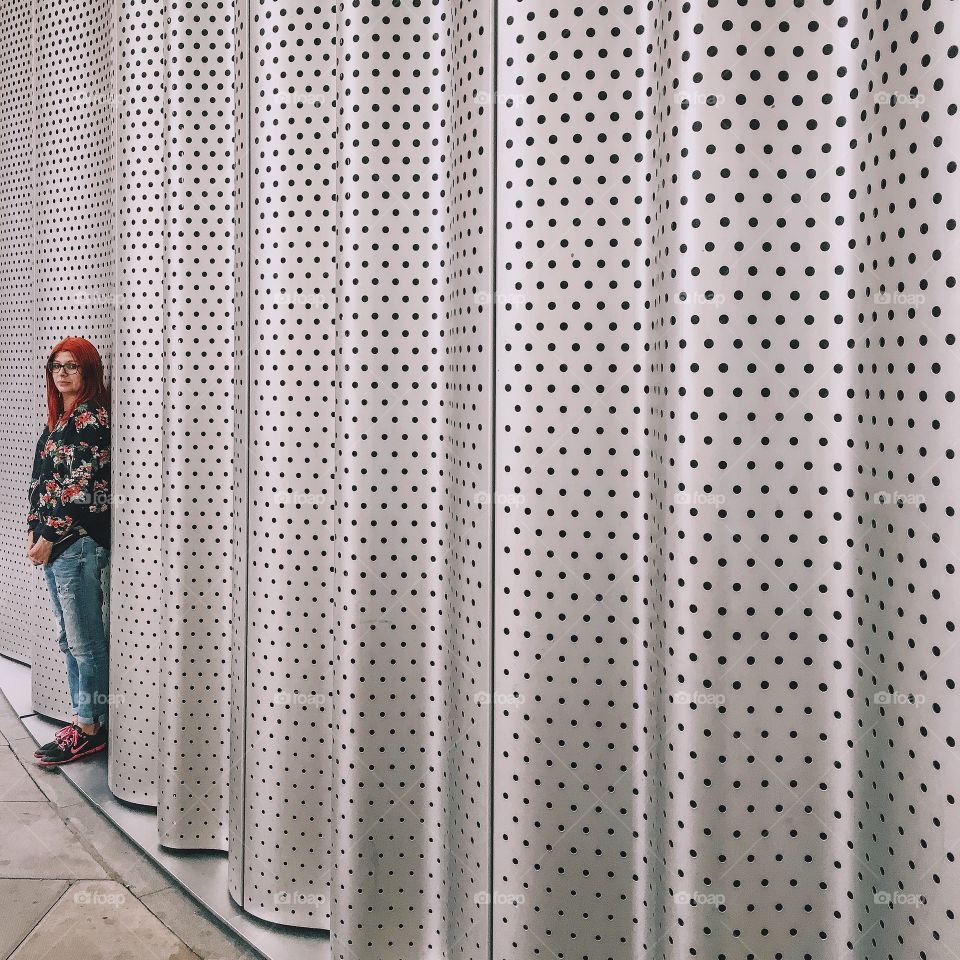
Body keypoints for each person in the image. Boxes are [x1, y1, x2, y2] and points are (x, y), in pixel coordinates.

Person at [26, 337, 111, 766]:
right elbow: (43, 481)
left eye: (72, 366)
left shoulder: (90, 421)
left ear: (89, 372)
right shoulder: (62, 419)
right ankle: (83, 718)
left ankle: (90, 727)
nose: (62, 373)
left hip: (76, 544)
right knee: (69, 638)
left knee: (85, 642)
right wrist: (34, 527)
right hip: (58, 545)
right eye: (56, 366)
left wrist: (48, 535)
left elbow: (80, 491)